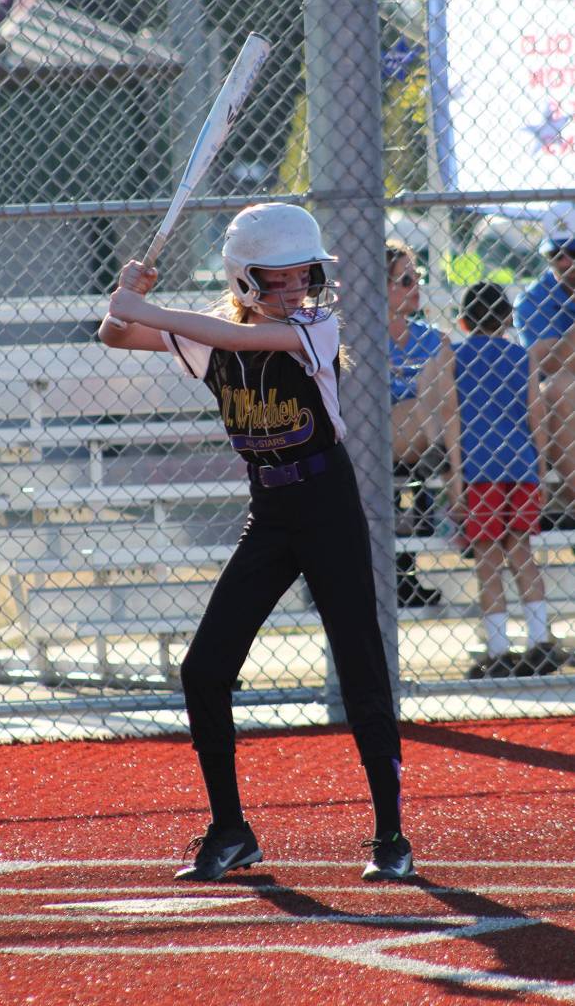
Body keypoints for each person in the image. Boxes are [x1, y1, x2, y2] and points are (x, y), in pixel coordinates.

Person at [99, 203, 415, 882]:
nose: (298, 285)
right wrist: (129, 295)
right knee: (203, 668)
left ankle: (390, 833)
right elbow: (114, 335)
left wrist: (142, 307)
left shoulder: (313, 329)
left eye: (305, 271)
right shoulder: (213, 337)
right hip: (269, 511)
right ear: (245, 281)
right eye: (279, 277)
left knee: (360, 665)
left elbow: (235, 340)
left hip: (329, 504)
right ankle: (230, 829)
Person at [441, 282, 566, 678]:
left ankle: (498, 651)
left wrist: (456, 475)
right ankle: (539, 641)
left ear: (462, 322)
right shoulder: (522, 357)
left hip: (479, 470)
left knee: (488, 559)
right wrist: (541, 468)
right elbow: (536, 415)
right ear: (509, 319)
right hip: (521, 467)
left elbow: (452, 420)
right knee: (521, 551)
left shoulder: (455, 359)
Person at [386, 240, 451, 608]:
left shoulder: (433, 338)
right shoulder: (353, 337)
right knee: (416, 406)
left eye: (418, 278)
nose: (416, 287)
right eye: (405, 280)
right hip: (380, 439)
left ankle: (404, 577)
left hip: (427, 440)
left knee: (431, 403)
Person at [513, 202, 575, 510]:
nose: (564, 262)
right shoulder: (534, 299)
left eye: (571, 252)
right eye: (555, 255)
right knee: (560, 386)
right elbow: (549, 363)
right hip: (558, 400)